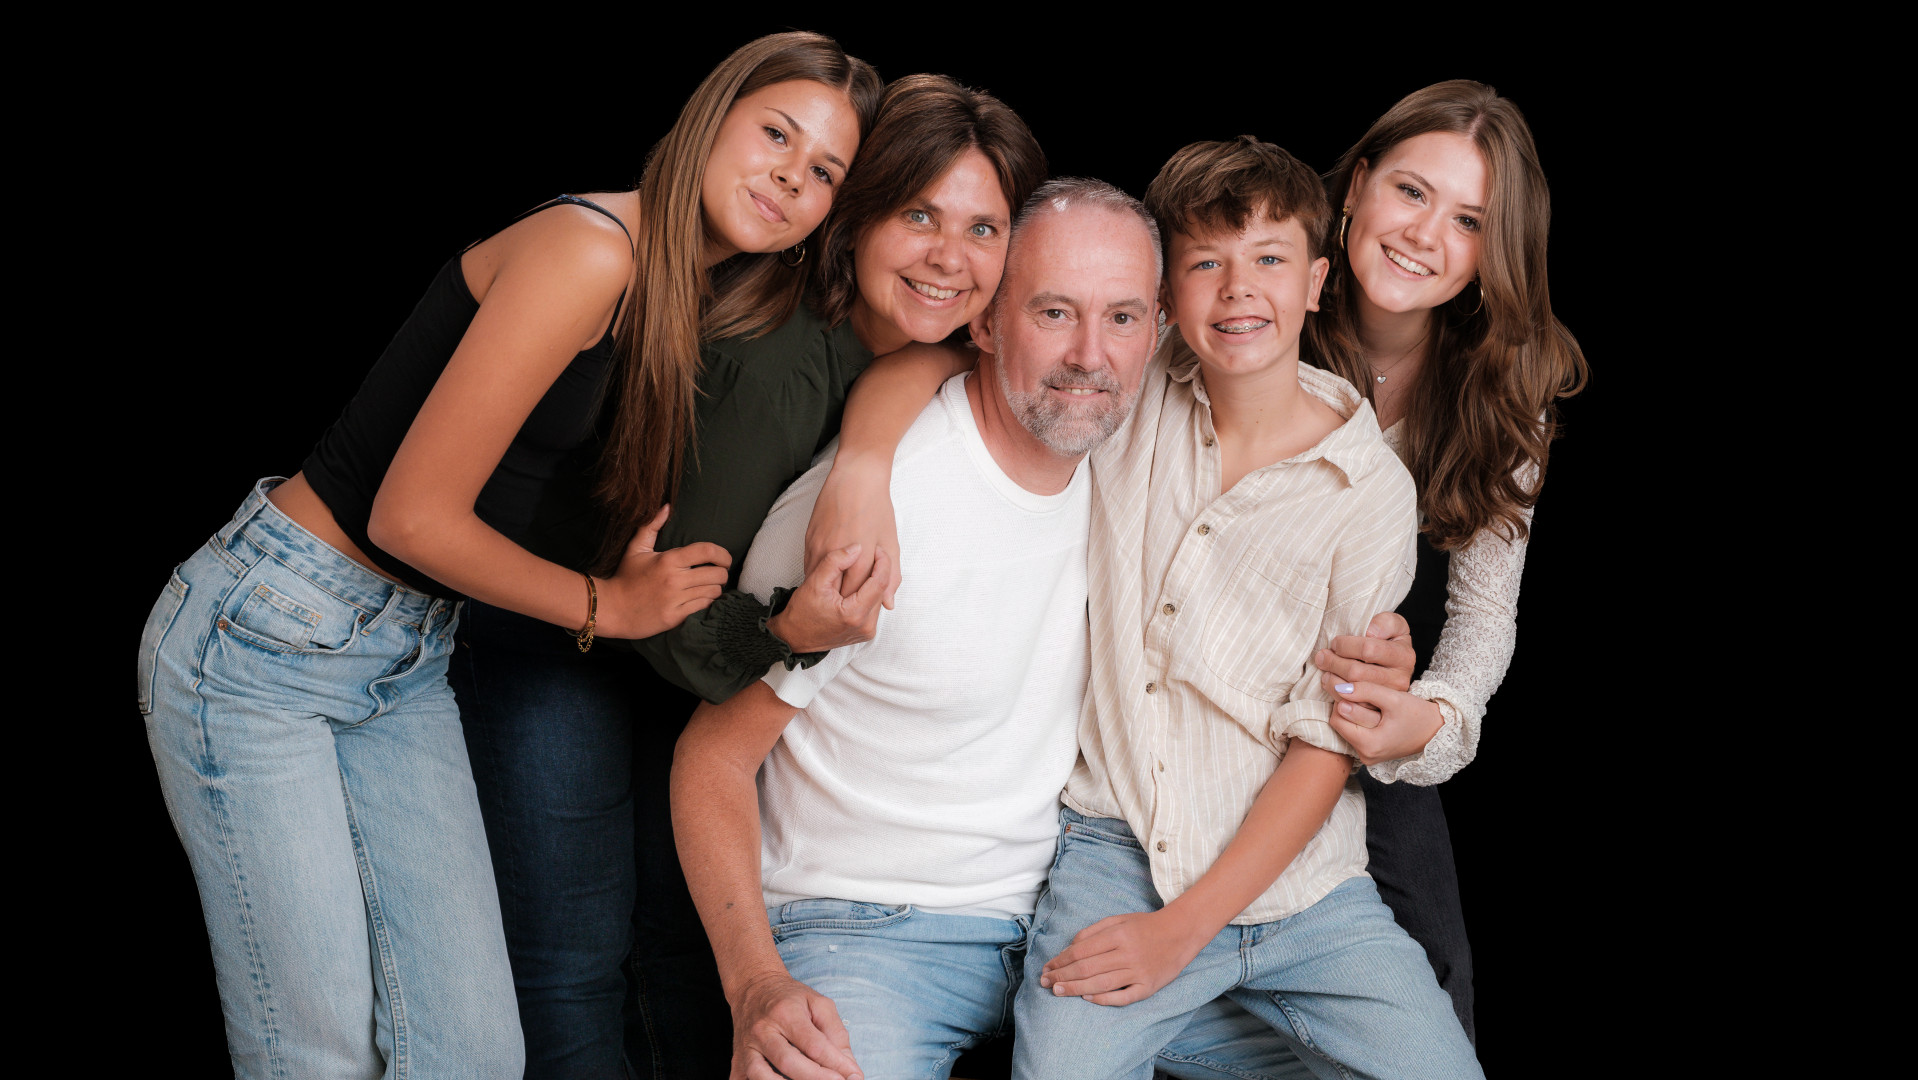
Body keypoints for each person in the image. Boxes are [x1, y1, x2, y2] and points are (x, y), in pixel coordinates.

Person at [136, 31, 877, 1078]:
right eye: (775, 133)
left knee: (472, 1053)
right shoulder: (593, 251)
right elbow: (410, 518)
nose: (788, 177)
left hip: (403, 653)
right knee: (320, 1053)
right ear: (712, 116)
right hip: (268, 635)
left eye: (822, 174)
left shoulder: (689, 292)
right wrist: (607, 605)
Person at [446, 73, 1045, 1076]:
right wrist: (789, 637)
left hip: (678, 680)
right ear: (854, 220)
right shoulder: (775, 367)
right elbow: (675, 627)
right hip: (569, 640)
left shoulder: (907, 344)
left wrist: (863, 457)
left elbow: (931, 360)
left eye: (984, 230)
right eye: (918, 215)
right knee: (572, 963)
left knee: (678, 958)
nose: (951, 257)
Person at [1004, 136, 1478, 1080]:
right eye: (1206, 264)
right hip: (1119, 847)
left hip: (1308, 886)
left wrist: (1183, 933)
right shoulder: (1129, 392)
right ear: (1169, 293)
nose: (1237, 290)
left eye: (1269, 260)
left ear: (1315, 282)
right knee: (1057, 1066)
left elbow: (1325, 738)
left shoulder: (1369, 488)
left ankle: (1200, 1004)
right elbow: (963, 361)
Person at [671, 179, 1166, 1080]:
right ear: (984, 323)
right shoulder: (863, 517)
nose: (1092, 355)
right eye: (1054, 312)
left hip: (1070, 916)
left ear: (1158, 332)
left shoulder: (1138, 451)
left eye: (1123, 319)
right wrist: (754, 984)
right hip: (863, 924)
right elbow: (712, 760)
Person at [1307, 80, 1590, 1041]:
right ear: (1355, 187)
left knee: (1431, 977)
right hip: (1197, 703)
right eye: (1411, 191)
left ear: (1491, 256)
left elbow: (1481, 620)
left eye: (1468, 219)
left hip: (1355, 733)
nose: (1426, 234)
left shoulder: (1504, 389)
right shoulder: (1258, 301)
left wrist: (1428, 720)